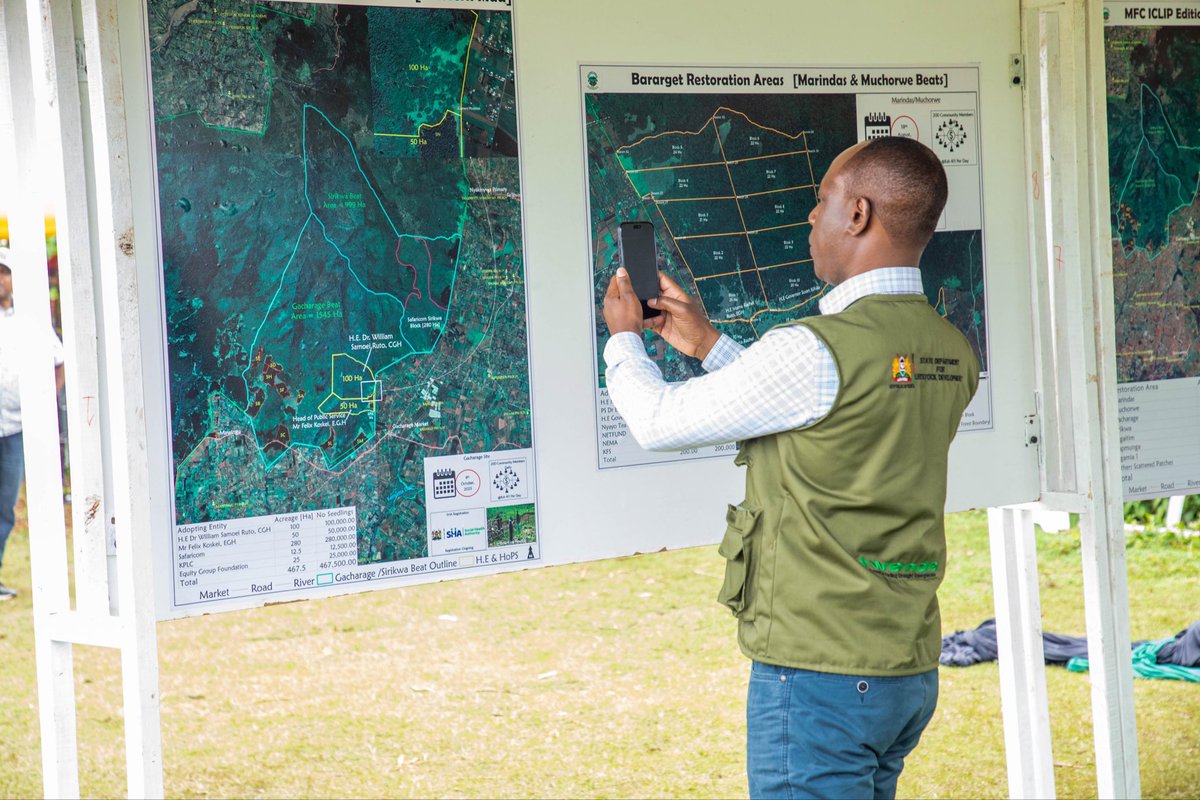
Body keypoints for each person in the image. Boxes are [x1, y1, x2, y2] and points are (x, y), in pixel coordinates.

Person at [601, 136, 980, 799]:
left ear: (857, 214)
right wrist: (705, 344)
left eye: (820, 201)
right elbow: (826, 410)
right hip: (903, 670)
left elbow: (657, 421)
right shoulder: (948, 348)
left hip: (819, 677)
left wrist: (624, 339)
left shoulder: (815, 349)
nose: (811, 219)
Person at [0, 247, 66, 600]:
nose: (0, 279)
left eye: (4, 272)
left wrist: (44, 403)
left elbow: (60, 360)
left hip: (14, 429)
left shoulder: (30, 318)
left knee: (4, 505)